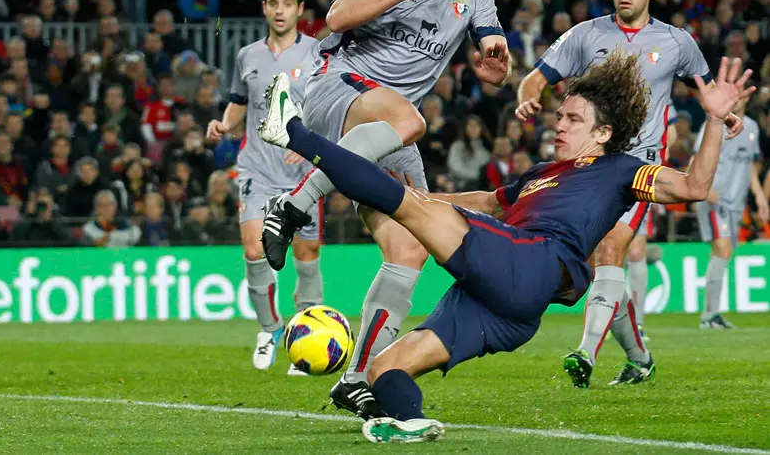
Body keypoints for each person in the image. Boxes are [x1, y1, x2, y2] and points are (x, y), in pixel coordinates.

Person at [258, 52, 751, 443]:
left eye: (574, 119)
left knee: (407, 205)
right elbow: (486, 204)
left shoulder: (621, 169)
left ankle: (293, 134)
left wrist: (713, 120)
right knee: (384, 369)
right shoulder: (541, 174)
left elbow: (694, 187)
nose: (560, 125)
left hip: (535, 262)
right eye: (561, 116)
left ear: (603, 133)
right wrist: (422, 201)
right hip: (508, 305)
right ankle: (408, 421)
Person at [258, 0, 510, 417]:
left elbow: (491, 47)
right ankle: (294, 204)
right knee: (411, 119)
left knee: (411, 246)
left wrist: (495, 62)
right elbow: (335, 18)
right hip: (338, 87)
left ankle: (356, 378)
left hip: (387, 126)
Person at [514, 0, 743, 387]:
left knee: (611, 249)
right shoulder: (585, 35)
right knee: (599, 266)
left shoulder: (677, 42)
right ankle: (639, 358)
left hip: (640, 166)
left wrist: (726, 114)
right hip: (590, 165)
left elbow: (709, 90)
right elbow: (537, 77)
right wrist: (528, 97)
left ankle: (585, 352)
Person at [206, 0, 323, 375]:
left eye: (287, 4)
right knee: (255, 251)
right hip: (257, 167)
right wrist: (225, 124)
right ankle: (270, 330)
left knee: (307, 254)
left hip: (304, 171)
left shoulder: (316, 53)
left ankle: (306, 336)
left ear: (299, 9)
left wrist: (309, 141)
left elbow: (328, 105)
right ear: (264, 8)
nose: (280, 11)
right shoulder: (248, 56)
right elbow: (240, 101)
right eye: (273, 3)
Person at [693, 97, 767, 329]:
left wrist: (760, 197)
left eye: (741, 93)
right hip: (716, 198)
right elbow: (696, 157)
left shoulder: (752, 127)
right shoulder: (713, 124)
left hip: (736, 202)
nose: (737, 98)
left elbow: (749, 166)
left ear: (747, 96)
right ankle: (709, 316)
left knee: (721, 253)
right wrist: (703, 187)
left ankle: (710, 314)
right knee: (723, 250)